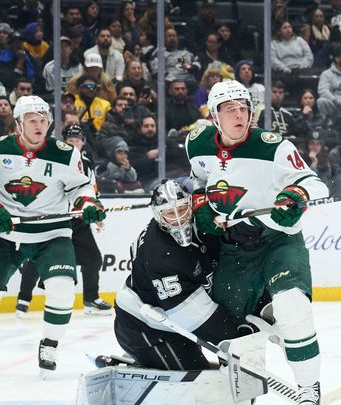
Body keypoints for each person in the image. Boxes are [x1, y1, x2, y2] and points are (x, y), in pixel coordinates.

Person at [185, 80, 329, 405]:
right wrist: (202, 207)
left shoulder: (274, 147)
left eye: (244, 108)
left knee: (293, 306)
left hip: (278, 241)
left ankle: (309, 388)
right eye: (229, 109)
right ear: (214, 116)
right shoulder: (197, 143)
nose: (239, 115)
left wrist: (293, 198)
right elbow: (199, 182)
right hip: (234, 250)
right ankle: (243, 388)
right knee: (227, 327)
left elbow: (316, 184)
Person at [0, 96, 106, 375]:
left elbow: (81, 189)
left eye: (44, 120)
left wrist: (89, 204)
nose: (39, 125)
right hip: (7, 233)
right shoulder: (1, 149)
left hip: (52, 233)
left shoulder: (65, 153)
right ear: (19, 123)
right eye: (32, 120)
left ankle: (49, 343)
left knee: (61, 289)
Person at [112, 179, 262, 371]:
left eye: (182, 209)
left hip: (172, 319)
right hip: (145, 329)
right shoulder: (162, 254)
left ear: (191, 204)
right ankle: (141, 356)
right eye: (169, 214)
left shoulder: (203, 223)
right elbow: (192, 315)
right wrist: (236, 338)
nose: (178, 219)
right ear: (158, 216)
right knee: (200, 381)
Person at [14, 124, 109, 317]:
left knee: (93, 259)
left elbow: (90, 190)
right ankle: (23, 299)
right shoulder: (53, 159)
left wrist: (95, 211)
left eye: (78, 140)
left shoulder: (87, 163)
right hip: (55, 219)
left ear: (83, 142)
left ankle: (91, 299)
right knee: (36, 258)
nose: (74, 144)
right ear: (63, 142)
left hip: (77, 220)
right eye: (70, 141)